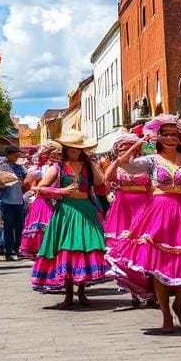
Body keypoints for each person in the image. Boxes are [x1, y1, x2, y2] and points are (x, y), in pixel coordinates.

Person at [109, 115, 181, 333]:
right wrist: (141, 141)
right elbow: (124, 163)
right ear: (158, 137)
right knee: (159, 266)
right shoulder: (151, 160)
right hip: (158, 215)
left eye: (174, 134)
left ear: (180, 137)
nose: (170, 138)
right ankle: (166, 314)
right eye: (165, 134)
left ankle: (178, 303)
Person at [30, 131, 111, 306]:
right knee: (65, 249)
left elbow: (99, 182)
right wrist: (61, 191)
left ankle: (81, 291)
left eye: (78, 149)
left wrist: (91, 162)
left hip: (86, 210)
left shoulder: (88, 166)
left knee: (85, 248)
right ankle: (68, 294)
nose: (75, 152)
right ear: (66, 149)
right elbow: (39, 188)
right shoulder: (57, 168)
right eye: (72, 149)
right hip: (66, 212)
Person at [101, 133, 153, 307]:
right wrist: (124, 155)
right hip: (123, 209)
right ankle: (133, 292)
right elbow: (107, 177)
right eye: (121, 147)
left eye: (128, 146)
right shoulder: (117, 166)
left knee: (145, 248)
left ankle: (151, 289)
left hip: (143, 207)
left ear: (137, 148)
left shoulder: (146, 164)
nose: (124, 150)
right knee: (124, 250)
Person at [20, 142, 62, 258]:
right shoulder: (41, 169)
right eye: (55, 154)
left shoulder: (63, 168)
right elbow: (30, 186)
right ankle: (43, 251)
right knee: (44, 226)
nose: (57, 157)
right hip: (44, 201)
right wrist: (44, 190)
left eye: (59, 155)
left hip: (58, 200)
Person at [0, 146, 27, 260]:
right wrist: (7, 183)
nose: (17, 157)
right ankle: (8, 251)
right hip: (6, 202)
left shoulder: (20, 168)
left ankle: (18, 249)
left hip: (19, 201)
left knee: (19, 226)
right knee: (8, 227)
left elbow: (25, 181)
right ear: (8, 155)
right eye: (15, 154)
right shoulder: (2, 168)